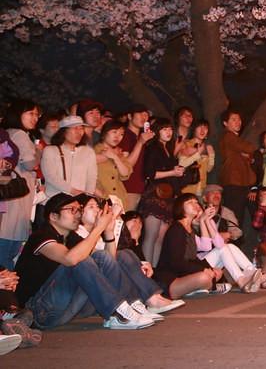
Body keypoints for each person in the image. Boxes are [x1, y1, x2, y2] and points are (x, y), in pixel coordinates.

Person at [15, 193, 166, 330]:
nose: (77, 215)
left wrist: (108, 233)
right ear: (53, 216)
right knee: (80, 260)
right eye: (71, 210)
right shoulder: (41, 235)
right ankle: (117, 313)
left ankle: (130, 306)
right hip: (40, 311)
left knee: (106, 256)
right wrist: (98, 229)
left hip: (68, 309)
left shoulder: (71, 238)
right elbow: (70, 259)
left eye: (79, 210)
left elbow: (109, 263)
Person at [154, 193, 234, 298]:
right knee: (204, 277)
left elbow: (193, 258)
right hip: (171, 279)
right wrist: (203, 270)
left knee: (217, 272)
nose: (195, 204)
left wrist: (209, 269)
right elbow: (176, 262)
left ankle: (200, 289)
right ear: (180, 207)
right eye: (190, 202)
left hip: (183, 275)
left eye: (196, 202)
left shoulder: (190, 230)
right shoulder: (177, 229)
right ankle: (205, 288)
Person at [0, 100, 41, 269]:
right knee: (8, 251)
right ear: (18, 114)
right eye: (30, 113)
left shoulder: (9, 133)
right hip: (15, 199)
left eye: (37, 115)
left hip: (9, 197)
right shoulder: (20, 135)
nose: (35, 118)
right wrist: (39, 153)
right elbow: (31, 164)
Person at [138, 118, 185, 265]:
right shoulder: (153, 147)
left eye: (170, 129)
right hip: (155, 194)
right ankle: (146, 274)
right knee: (151, 236)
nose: (168, 132)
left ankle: (154, 272)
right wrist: (172, 172)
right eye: (164, 129)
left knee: (160, 238)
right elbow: (149, 173)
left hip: (167, 197)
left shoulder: (167, 149)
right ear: (157, 131)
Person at [220, 110, 257, 237]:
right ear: (225, 123)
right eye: (234, 119)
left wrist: (246, 154)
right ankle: (231, 248)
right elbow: (250, 148)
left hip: (241, 183)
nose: (238, 122)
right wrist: (246, 151)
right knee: (234, 219)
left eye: (239, 119)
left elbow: (248, 154)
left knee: (238, 218)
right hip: (234, 183)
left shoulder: (234, 140)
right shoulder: (229, 136)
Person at [41, 115, 98, 198]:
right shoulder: (50, 150)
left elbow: (92, 177)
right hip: (55, 200)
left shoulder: (88, 152)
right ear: (64, 131)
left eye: (81, 128)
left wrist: (87, 196)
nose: (79, 132)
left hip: (79, 201)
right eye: (75, 128)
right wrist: (73, 191)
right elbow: (50, 176)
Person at [120, 105, 154, 211]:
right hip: (127, 188)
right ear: (130, 116)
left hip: (140, 187)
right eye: (140, 113)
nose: (144, 117)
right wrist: (140, 142)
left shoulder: (142, 137)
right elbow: (127, 164)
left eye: (146, 115)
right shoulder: (124, 135)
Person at [93, 120, 133, 206]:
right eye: (114, 132)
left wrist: (115, 157)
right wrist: (103, 196)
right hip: (101, 200)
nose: (118, 137)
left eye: (121, 134)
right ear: (104, 133)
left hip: (120, 200)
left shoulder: (119, 153)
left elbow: (125, 174)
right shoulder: (93, 151)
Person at [178, 119, 215, 196]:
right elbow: (182, 164)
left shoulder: (206, 147)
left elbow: (208, 169)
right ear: (194, 129)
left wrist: (212, 155)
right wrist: (198, 154)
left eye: (205, 128)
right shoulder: (186, 144)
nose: (202, 130)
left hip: (201, 188)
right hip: (187, 188)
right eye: (199, 127)